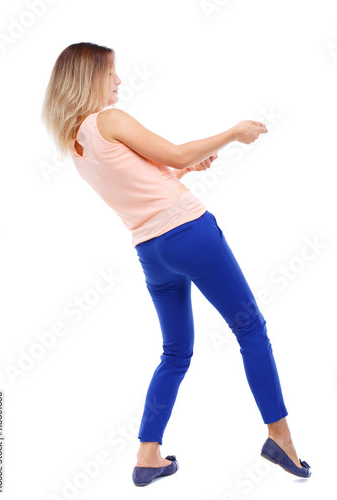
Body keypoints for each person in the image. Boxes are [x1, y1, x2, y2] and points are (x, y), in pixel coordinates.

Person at [41, 42, 311, 487]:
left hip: (152, 251)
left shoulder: (77, 142)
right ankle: (279, 437)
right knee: (250, 329)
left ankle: (148, 454)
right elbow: (178, 153)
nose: (119, 82)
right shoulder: (108, 119)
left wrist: (183, 172)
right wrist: (233, 132)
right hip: (189, 233)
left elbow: (140, 184)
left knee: (176, 352)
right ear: (90, 77)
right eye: (112, 74)